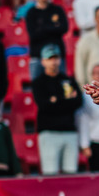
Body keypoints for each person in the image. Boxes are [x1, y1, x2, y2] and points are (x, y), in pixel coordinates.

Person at [32, 45, 83, 175]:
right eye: (50, 59)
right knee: (50, 173)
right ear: (43, 61)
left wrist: (55, 100)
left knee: (71, 172)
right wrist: (65, 100)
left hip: (69, 131)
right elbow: (44, 106)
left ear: (60, 60)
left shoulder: (68, 80)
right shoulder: (39, 82)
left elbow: (78, 102)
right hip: (49, 133)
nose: (53, 62)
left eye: (56, 58)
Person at [25, 0, 70, 80]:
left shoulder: (57, 10)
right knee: (38, 87)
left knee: (62, 85)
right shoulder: (31, 13)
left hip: (57, 56)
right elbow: (33, 35)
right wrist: (53, 28)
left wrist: (42, 28)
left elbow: (64, 28)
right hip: (38, 56)